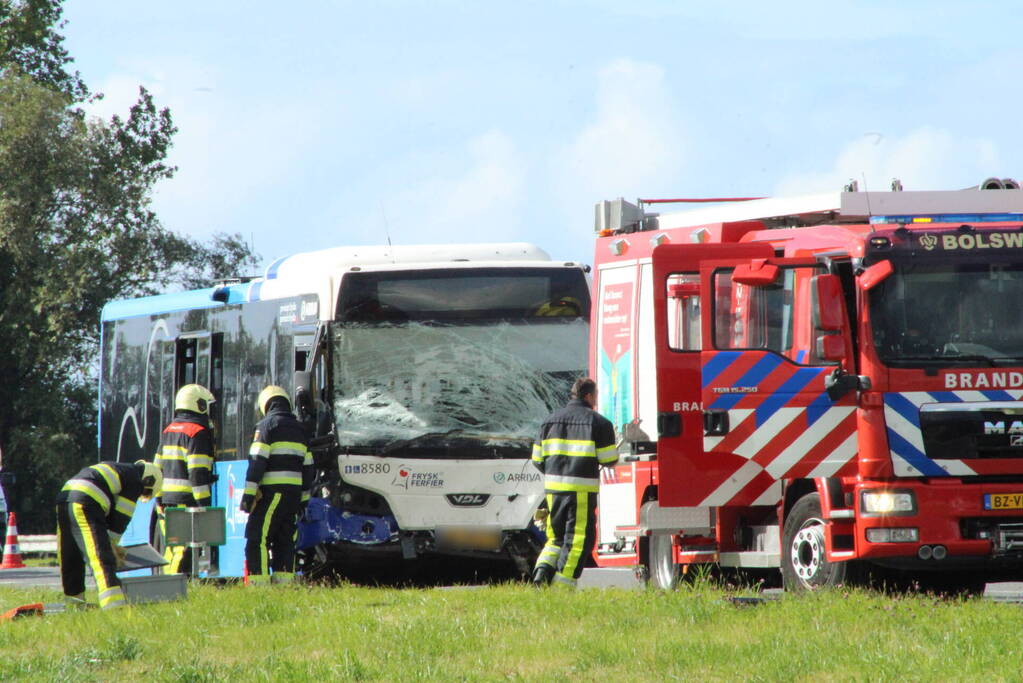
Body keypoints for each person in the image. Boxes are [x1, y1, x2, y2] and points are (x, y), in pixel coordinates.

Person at [530, 377, 618, 588]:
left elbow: (537, 459)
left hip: (553, 492)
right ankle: (563, 586)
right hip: (580, 492)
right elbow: (609, 460)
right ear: (588, 396)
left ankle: (540, 574)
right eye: (595, 396)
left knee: (556, 538)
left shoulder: (548, 421)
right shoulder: (599, 423)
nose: (596, 400)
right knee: (579, 539)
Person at [55, 461, 163, 609]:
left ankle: (75, 604)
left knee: (70, 555)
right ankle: (114, 604)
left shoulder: (121, 470)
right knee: (101, 556)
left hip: (64, 498)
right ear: (148, 481)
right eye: (145, 492)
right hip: (86, 501)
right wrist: (112, 544)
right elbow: (121, 518)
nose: (141, 495)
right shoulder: (136, 481)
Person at [241, 385, 314, 585]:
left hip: (271, 494)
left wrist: (248, 496)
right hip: (293, 497)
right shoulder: (301, 429)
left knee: (258, 539)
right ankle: (284, 587)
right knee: (285, 542)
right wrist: (303, 500)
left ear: (266, 405)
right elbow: (308, 469)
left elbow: (257, 462)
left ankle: (259, 587)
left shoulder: (266, 426)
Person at [155, 384, 216, 574]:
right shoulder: (197, 433)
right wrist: (204, 504)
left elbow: (156, 466)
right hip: (186, 499)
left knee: (173, 547)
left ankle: (167, 584)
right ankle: (174, 588)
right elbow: (197, 473)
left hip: (166, 500)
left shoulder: (169, 431)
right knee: (183, 549)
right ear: (199, 405)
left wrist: (158, 497)